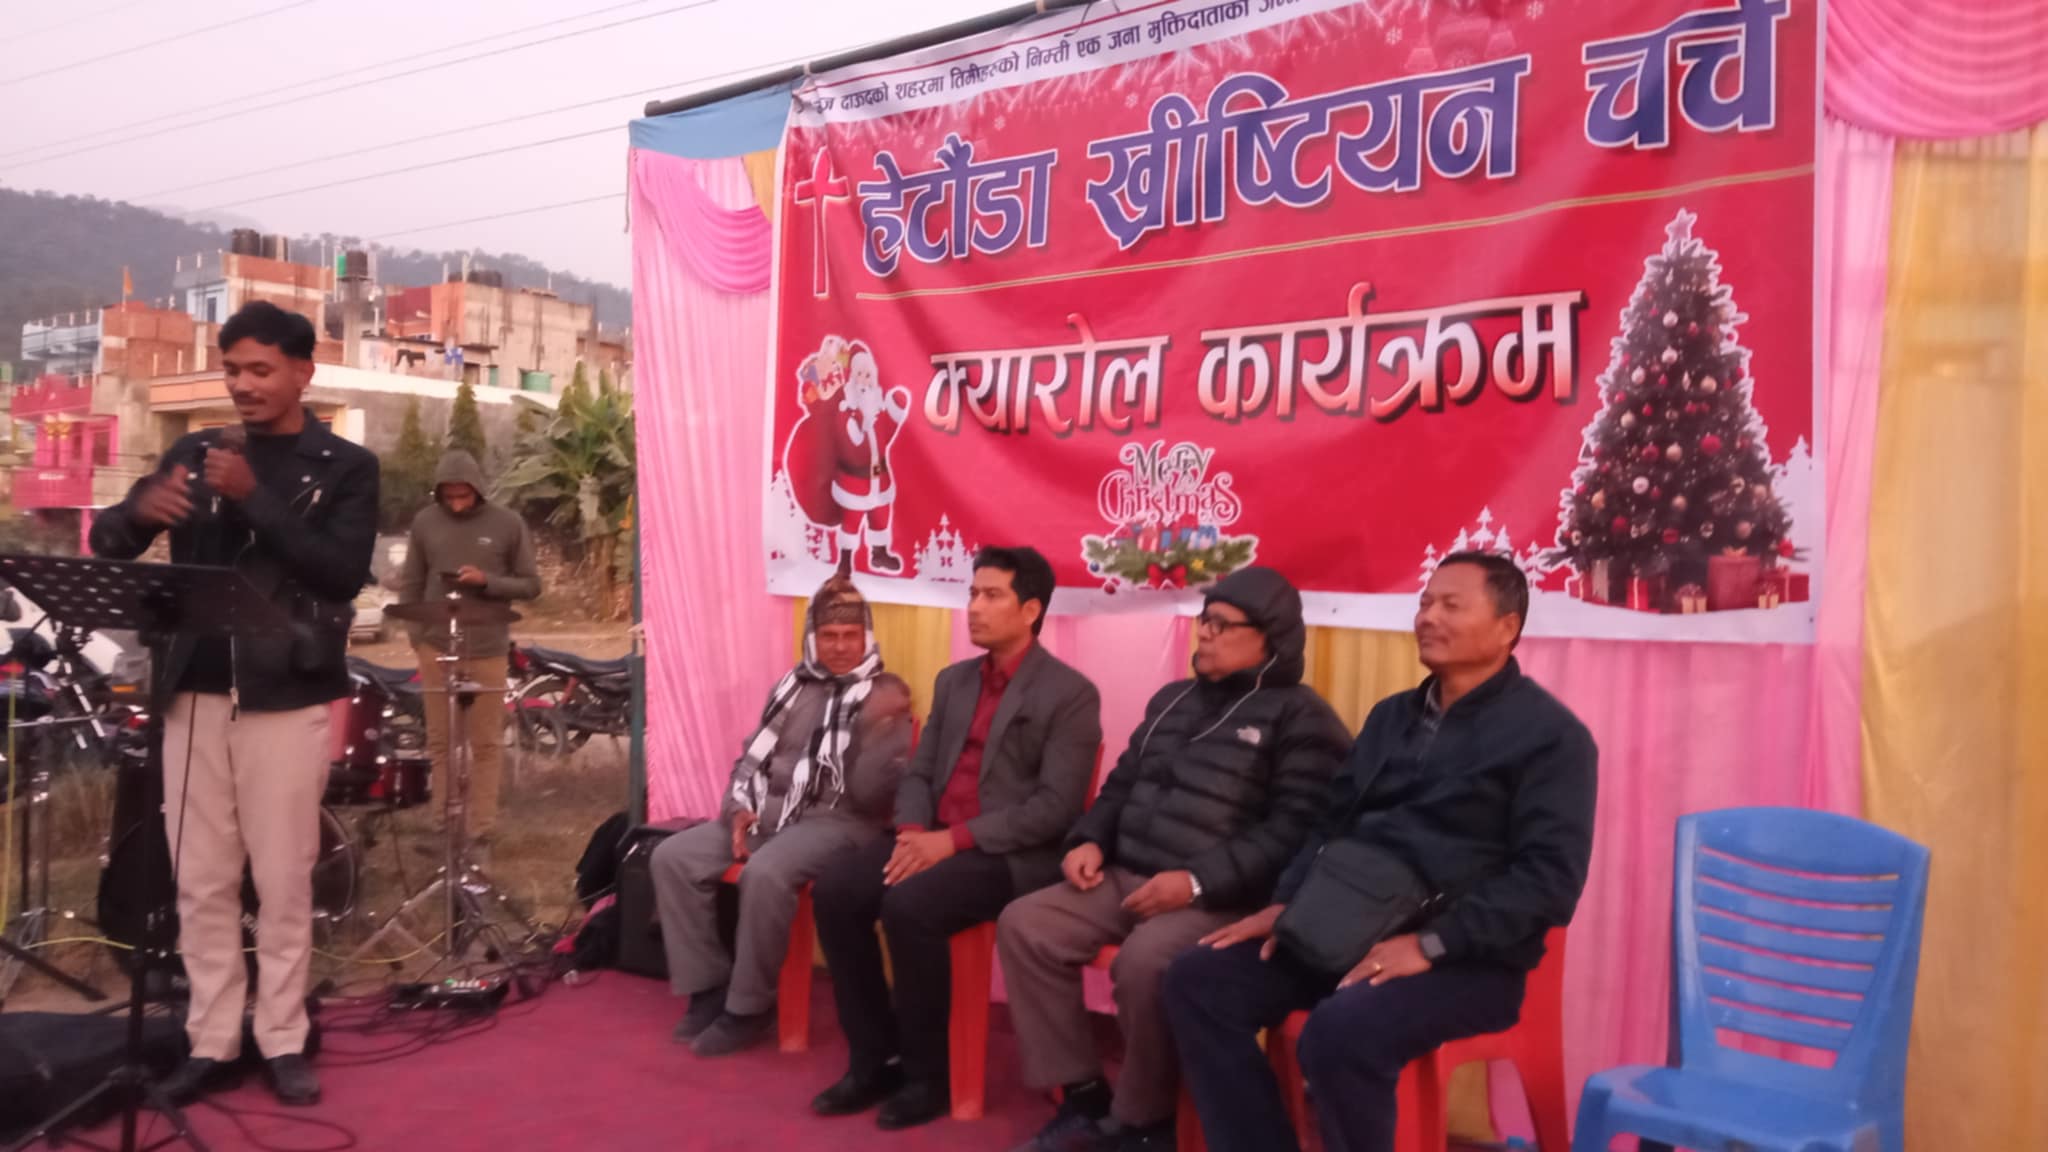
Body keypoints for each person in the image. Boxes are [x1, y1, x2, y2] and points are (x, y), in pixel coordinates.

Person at [1163, 552, 1598, 1152]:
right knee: (1198, 980)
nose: (1428, 617)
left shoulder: (1553, 738)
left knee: (1340, 1033)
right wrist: (1287, 904)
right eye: (1425, 603)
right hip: (1342, 929)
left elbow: (1549, 883)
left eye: (1451, 605)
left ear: (1507, 627)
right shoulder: (1393, 716)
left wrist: (1430, 945)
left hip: (1465, 961)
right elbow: (1329, 822)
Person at [89, 301, 378, 1108]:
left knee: (282, 879)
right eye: (232, 370)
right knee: (201, 879)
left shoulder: (345, 466)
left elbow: (340, 573)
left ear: (302, 372)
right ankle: (212, 1037)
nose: (243, 385)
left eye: (260, 370)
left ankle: (282, 1035)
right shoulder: (196, 450)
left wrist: (255, 498)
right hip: (193, 693)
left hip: (285, 695)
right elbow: (109, 542)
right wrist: (135, 513)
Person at [998, 568, 1350, 1152]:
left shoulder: (1303, 719)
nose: (1204, 634)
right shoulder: (1174, 700)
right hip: (1127, 875)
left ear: (1270, 639)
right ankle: (1082, 1095)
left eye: (1222, 626)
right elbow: (1121, 784)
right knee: (1025, 924)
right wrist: (1089, 839)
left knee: (1146, 961)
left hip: (1224, 899)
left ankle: (1143, 1121)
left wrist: (1194, 882)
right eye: (1203, 621)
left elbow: (1295, 832)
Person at [809, 546, 1102, 1131]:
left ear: (1031, 610)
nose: (974, 607)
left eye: (991, 596)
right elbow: (919, 772)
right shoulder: (955, 681)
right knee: (837, 890)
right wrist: (913, 832)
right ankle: (875, 1058)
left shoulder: (1070, 693)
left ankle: (929, 1075)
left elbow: (1055, 808)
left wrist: (953, 841)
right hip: (930, 835)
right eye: (972, 593)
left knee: (909, 905)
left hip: (1007, 854)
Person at [651, 563, 913, 1056]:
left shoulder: (886, 694)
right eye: (829, 636)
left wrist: (882, 732)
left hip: (840, 821)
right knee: (672, 857)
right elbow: (750, 759)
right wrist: (737, 810)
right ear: (813, 639)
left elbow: (872, 797)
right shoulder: (792, 686)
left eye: (851, 636)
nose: (840, 647)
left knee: (766, 873)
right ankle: (708, 988)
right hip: (770, 813)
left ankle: (749, 1007)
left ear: (867, 637)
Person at [398, 448, 540, 842]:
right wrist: (416, 637)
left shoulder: (507, 523)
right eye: (450, 496)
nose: (457, 503)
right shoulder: (425, 522)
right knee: (440, 741)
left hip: (488, 648)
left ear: (478, 489)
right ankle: (442, 823)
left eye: (464, 495)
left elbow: (531, 584)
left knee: (486, 742)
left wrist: (487, 582)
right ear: (439, 492)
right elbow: (411, 583)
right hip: (436, 646)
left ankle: (481, 829)